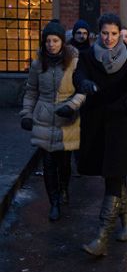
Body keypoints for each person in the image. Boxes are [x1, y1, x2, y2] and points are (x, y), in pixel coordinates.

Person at [74, 13, 127, 256]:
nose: (109, 38)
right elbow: (79, 75)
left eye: (114, 34)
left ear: (120, 34)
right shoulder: (87, 56)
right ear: (98, 33)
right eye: (105, 33)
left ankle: (101, 237)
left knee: (114, 173)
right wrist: (83, 83)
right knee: (112, 174)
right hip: (96, 120)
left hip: (123, 120)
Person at [20, 20, 85, 221]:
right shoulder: (38, 64)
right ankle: (54, 202)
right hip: (45, 118)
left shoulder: (74, 62)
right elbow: (31, 91)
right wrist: (27, 114)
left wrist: (72, 105)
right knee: (48, 164)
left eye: (55, 40)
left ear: (62, 42)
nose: (51, 44)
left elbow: (82, 90)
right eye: (48, 40)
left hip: (66, 119)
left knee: (64, 163)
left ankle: (64, 188)